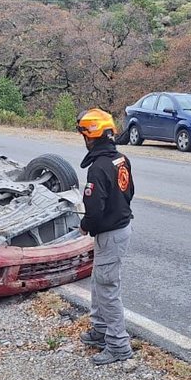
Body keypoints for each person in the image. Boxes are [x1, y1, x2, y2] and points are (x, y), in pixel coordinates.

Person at [75, 108, 136, 366]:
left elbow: (94, 210)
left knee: (108, 288)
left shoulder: (98, 168)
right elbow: (129, 191)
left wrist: (85, 225)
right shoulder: (120, 159)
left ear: (92, 136)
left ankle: (118, 345)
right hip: (119, 229)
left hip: (110, 233)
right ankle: (99, 330)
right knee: (99, 281)